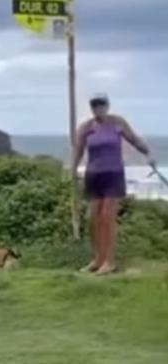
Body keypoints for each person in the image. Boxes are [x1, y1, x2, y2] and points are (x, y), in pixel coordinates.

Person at [73, 94, 154, 275]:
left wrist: (148, 154)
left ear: (107, 106)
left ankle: (110, 262)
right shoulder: (86, 127)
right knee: (92, 219)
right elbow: (78, 151)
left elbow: (134, 139)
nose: (98, 109)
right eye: (94, 106)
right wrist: (72, 170)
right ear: (91, 108)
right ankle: (97, 259)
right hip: (93, 175)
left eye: (101, 105)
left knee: (107, 217)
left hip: (113, 174)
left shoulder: (117, 122)